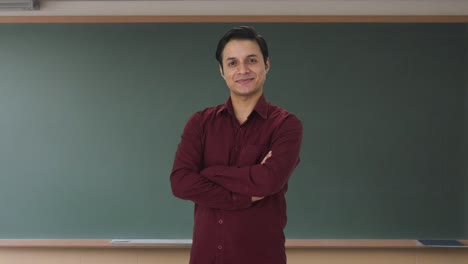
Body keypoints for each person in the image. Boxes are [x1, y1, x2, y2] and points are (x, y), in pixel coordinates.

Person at [170, 26, 303, 264]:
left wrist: (209, 173)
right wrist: (246, 195)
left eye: (251, 60)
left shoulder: (286, 125)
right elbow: (180, 182)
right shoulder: (200, 123)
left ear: (267, 65)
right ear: (222, 71)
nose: (242, 70)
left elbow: (269, 181)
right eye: (232, 63)